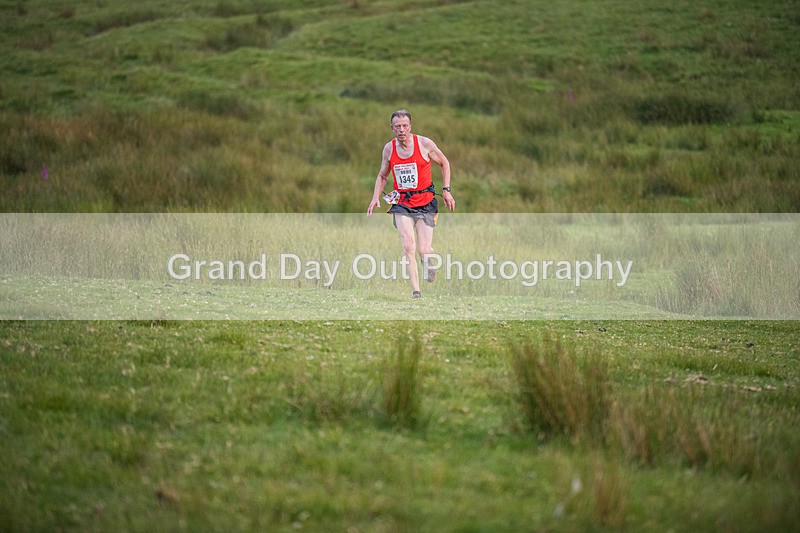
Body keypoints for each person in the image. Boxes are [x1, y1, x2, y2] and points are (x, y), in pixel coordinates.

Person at [367, 109, 455, 299]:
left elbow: (444, 162)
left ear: (410, 127)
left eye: (405, 126)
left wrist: (446, 190)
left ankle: (428, 261)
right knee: (408, 246)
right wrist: (375, 197)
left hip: (425, 202)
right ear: (392, 128)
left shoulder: (424, 144)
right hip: (402, 203)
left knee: (424, 250)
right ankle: (416, 292)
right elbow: (382, 175)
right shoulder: (389, 149)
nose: (401, 130)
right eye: (397, 126)